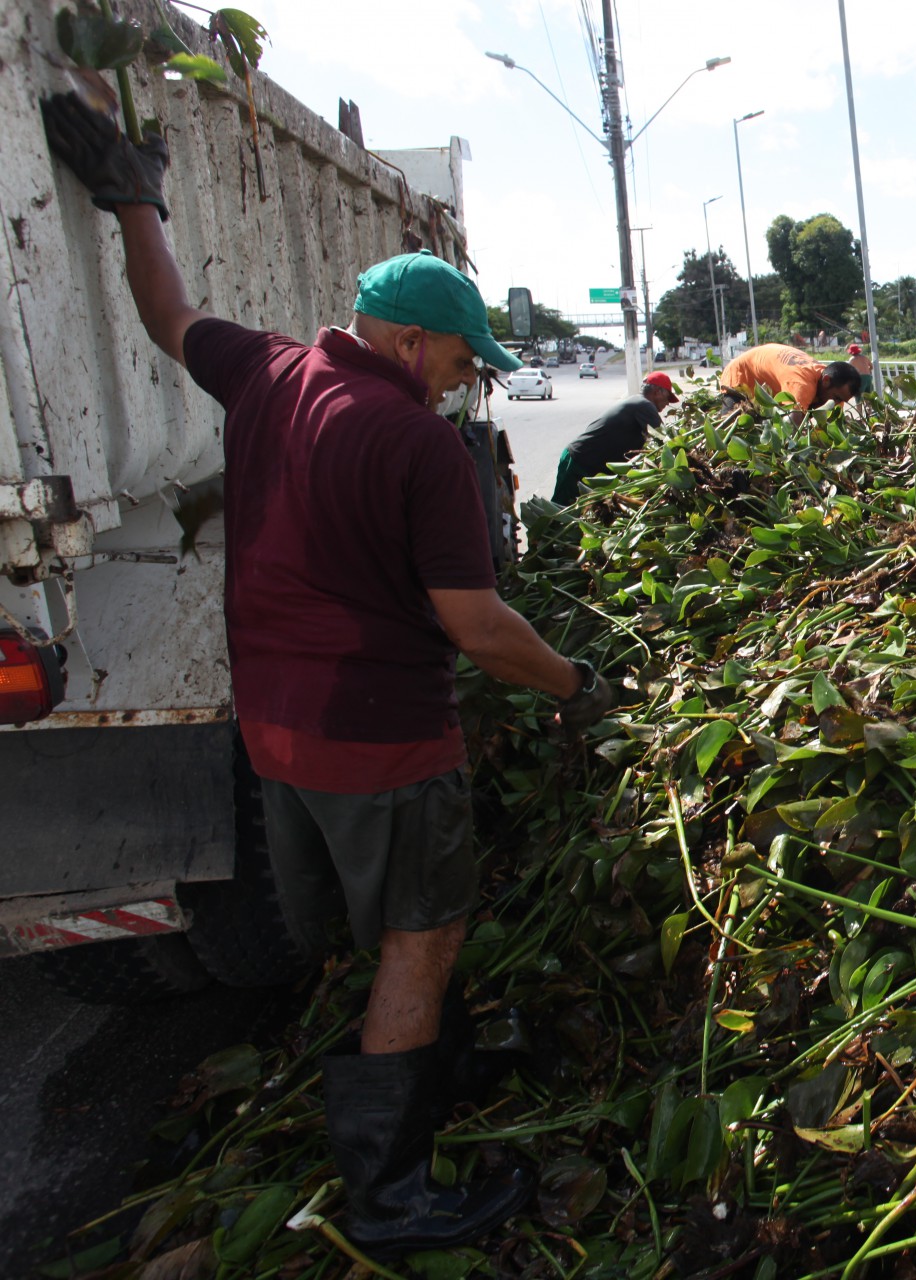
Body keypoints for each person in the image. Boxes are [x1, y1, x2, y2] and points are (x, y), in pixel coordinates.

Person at [39, 93, 618, 1260]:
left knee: (376, 931)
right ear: (410, 340)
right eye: (462, 357)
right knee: (422, 928)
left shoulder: (265, 373)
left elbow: (169, 317)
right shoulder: (415, 443)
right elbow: (476, 624)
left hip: (278, 736)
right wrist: (573, 683)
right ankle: (391, 1193)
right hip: (384, 742)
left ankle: (427, 1073)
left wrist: (133, 201)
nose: (467, 380)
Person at [552, 370, 678, 502]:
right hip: (578, 463)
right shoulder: (644, 405)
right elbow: (665, 442)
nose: (667, 403)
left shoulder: (636, 403)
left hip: (588, 466)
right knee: (560, 513)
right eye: (668, 397)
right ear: (657, 392)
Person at [719, 343, 860, 418]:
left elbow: (828, 424)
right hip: (742, 375)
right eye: (836, 398)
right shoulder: (801, 384)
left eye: (840, 401)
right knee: (731, 423)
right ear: (826, 381)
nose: (835, 404)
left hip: (769, 387)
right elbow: (792, 425)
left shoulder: (830, 383)